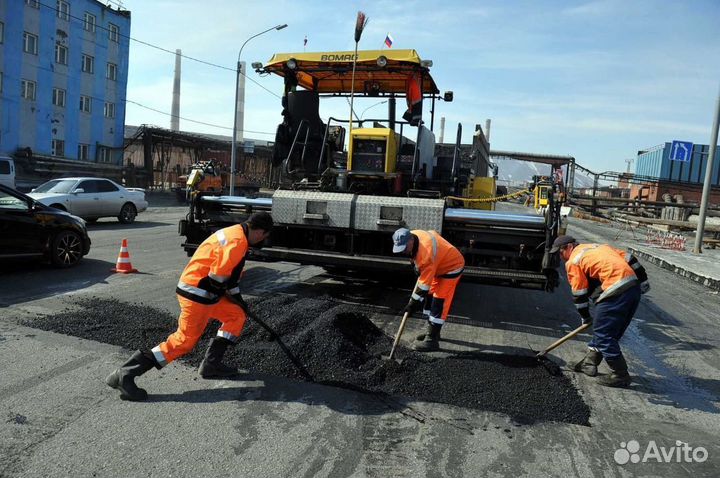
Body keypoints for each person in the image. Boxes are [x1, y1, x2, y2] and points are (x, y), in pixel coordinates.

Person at [106, 212, 274, 401]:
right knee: (184, 341)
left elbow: (228, 278)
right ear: (260, 232)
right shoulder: (238, 243)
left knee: (236, 315)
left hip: (204, 291)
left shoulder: (233, 232)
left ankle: (211, 364)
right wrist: (230, 293)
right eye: (264, 236)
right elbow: (217, 279)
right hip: (198, 293)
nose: (262, 240)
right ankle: (125, 373)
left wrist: (238, 300)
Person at [551, 235, 650, 387]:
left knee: (604, 335)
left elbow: (579, 294)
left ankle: (620, 375)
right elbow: (631, 259)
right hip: (632, 289)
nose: (560, 257)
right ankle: (589, 363)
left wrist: (585, 317)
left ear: (569, 247)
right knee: (609, 331)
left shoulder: (574, 260)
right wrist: (643, 281)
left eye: (560, 253)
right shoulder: (599, 247)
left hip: (615, 289)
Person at [391, 228, 465, 352]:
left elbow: (423, 287)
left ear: (410, 241)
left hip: (452, 267)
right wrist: (415, 264)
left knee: (439, 301)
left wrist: (412, 304)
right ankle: (432, 331)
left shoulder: (426, 255)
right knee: (429, 297)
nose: (403, 251)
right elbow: (415, 254)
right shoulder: (414, 235)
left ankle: (432, 340)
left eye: (404, 248)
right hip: (438, 265)